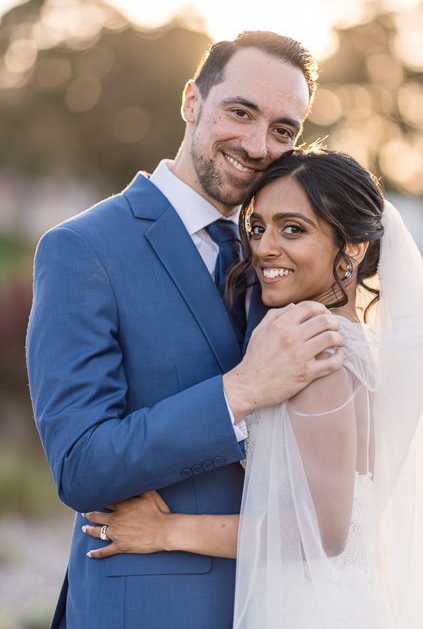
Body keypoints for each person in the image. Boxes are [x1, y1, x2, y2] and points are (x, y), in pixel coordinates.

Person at [82, 148, 423, 628]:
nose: (264, 247)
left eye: (293, 229)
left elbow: (326, 529)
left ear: (352, 246)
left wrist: (167, 531)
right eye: (257, 228)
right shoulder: (344, 340)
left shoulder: (319, 356)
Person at [26, 33, 346, 629]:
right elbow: (82, 464)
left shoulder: (283, 257)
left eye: (283, 130)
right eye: (241, 112)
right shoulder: (83, 250)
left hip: (280, 601)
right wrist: (241, 391)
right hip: (145, 604)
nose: (258, 145)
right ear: (191, 101)